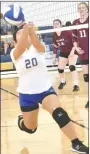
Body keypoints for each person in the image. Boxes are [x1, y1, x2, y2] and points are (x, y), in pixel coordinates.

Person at [10, 22, 88, 154]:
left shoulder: (38, 48)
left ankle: (76, 143)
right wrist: (25, 30)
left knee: (59, 112)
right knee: (31, 128)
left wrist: (31, 30)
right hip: (27, 95)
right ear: (15, 40)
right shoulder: (14, 53)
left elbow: (36, 43)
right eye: (19, 33)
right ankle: (22, 121)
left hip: (45, 90)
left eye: (24, 32)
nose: (23, 33)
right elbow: (21, 46)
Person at [52, 19, 80, 91]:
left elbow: (76, 40)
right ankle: (63, 82)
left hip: (73, 50)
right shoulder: (54, 34)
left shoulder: (67, 31)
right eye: (54, 24)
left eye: (57, 23)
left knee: (72, 67)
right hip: (64, 52)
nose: (56, 25)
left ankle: (76, 85)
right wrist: (54, 57)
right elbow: (55, 47)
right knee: (60, 69)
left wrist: (73, 50)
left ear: (61, 25)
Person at [72, 2, 89, 108]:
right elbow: (74, 38)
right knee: (86, 77)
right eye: (79, 8)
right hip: (83, 52)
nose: (81, 9)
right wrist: (76, 47)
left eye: (83, 7)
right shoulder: (75, 22)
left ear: (87, 9)